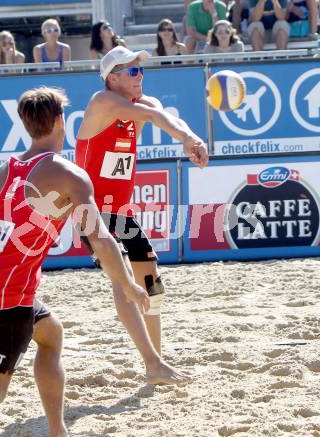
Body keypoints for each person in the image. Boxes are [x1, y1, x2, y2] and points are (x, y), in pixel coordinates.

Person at [0, 86, 151, 437]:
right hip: (9, 290)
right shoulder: (69, 174)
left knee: (51, 336)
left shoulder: (6, 170)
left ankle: (56, 429)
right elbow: (100, 237)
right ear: (61, 121)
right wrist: (127, 284)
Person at [75, 46, 208, 383]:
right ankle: (153, 363)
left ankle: (157, 362)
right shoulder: (102, 102)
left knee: (151, 278)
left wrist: (186, 137)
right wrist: (188, 138)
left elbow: (164, 116)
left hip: (119, 212)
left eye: (141, 70)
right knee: (124, 281)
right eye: (132, 71)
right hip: (93, 212)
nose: (140, 76)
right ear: (113, 78)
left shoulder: (141, 105)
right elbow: (153, 118)